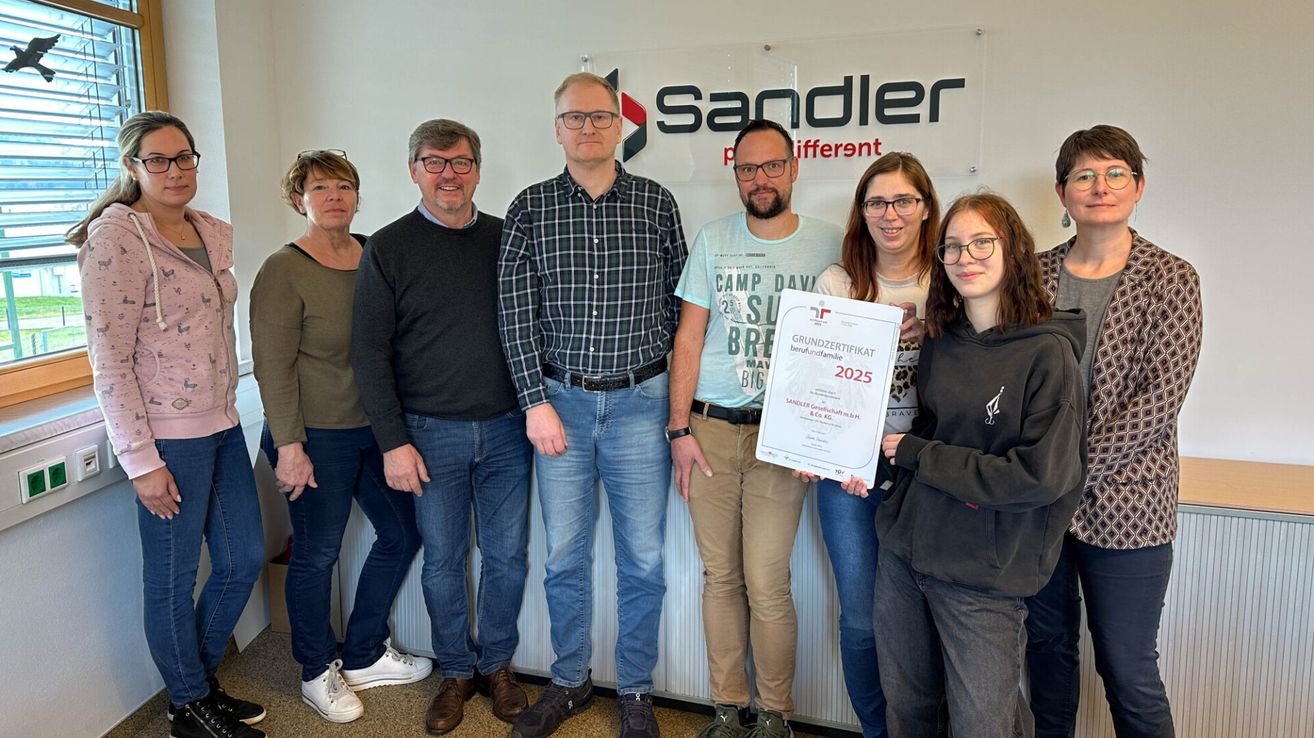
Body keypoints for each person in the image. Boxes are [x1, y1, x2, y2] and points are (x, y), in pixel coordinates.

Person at [498, 72, 687, 738]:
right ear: (557, 129)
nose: (587, 128)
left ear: (620, 126)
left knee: (643, 559)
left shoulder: (657, 204)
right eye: (573, 119)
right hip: (561, 408)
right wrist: (533, 401)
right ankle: (571, 681)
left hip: (642, 404)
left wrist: (673, 405)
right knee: (563, 558)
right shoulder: (530, 208)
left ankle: (635, 690)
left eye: (599, 117)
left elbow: (679, 310)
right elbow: (515, 314)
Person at [72, 111, 266, 738]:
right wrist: (141, 460)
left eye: (184, 157)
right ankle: (190, 703)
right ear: (133, 168)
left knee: (243, 561)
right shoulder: (115, 241)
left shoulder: (210, 232)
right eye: (158, 160)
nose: (176, 170)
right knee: (174, 577)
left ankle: (194, 688)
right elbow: (109, 359)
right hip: (164, 441)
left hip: (222, 423)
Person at [874, 192, 1088, 738]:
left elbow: (1040, 475)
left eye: (981, 242)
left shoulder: (1049, 353)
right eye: (952, 247)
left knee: (982, 726)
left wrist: (919, 454)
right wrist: (878, 463)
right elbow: (927, 434)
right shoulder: (941, 344)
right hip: (906, 553)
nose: (965, 256)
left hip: (983, 574)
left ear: (1013, 249)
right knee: (910, 711)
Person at [352, 119, 533, 735]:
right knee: (444, 561)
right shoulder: (388, 246)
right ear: (413, 171)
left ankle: (498, 666)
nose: (448, 174)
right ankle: (456, 671)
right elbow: (370, 353)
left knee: (507, 558)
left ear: (477, 169)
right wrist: (393, 442)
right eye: (434, 162)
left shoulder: (509, 239)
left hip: (510, 429)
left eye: (459, 162)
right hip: (429, 436)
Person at [1025, 125, 1203, 738]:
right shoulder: (1031, 275)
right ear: (1062, 192)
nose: (1099, 186)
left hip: (1129, 506)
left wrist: (1064, 471)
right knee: (1046, 654)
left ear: (1139, 186)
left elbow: (1159, 401)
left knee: (1128, 670)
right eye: (1083, 176)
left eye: (1114, 173)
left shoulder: (1171, 278)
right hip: (1037, 509)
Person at [668, 118, 841, 738]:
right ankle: (725, 708)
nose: (760, 178)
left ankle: (773, 715)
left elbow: (850, 345)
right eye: (747, 168)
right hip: (710, 430)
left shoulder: (832, 243)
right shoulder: (713, 239)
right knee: (721, 577)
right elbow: (688, 338)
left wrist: (831, 436)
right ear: (735, 174)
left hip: (784, 438)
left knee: (768, 581)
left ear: (795, 169)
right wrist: (677, 429)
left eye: (771, 166)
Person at [251, 149, 430, 724]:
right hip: (312, 437)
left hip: (374, 430)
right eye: (320, 186)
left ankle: (363, 653)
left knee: (402, 534)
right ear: (298, 199)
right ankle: (314, 670)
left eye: (344, 185)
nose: (334, 195)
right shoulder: (284, 269)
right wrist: (290, 446)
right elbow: (271, 366)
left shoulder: (375, 253)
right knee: (318, 554)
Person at [808, 152, 938, 738]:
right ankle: (876, 732)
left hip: (929, 473)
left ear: (926, 207)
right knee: (861, 617)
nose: (891, 214)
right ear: (861, 213)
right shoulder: (837, 284)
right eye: (877, 202)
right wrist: (812, 450)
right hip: (849, 473)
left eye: (904, 200)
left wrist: (936, 328)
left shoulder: (951, 280)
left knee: (929, 616)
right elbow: (810, 383)